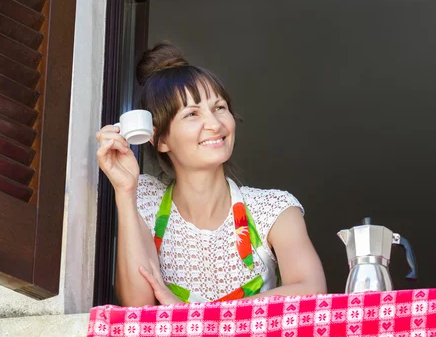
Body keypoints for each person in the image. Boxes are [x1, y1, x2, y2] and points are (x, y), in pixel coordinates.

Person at [96, 42, 326, 306]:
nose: (215, 125)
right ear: (161, 140)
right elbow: (138, 306)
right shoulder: (146, 201)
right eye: (192, 114)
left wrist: (192, 313)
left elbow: (312, 290)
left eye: (219, 108)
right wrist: (125, 193)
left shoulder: (274, 209)